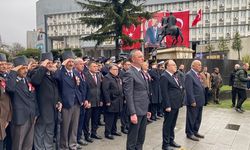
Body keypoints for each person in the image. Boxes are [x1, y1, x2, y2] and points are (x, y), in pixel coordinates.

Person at [55, 51, 86, 150]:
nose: (71, 63)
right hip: (66, 102)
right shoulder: (60, 72)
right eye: (69, 61)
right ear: (64, 62)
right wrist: (61, 66)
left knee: (74, 126)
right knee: (65, 127)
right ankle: (64, 146)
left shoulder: (75, 72)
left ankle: (72, 144)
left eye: (72, 61)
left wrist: (81, 98)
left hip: (76, 102)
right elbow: (56, 77)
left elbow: (79, 86)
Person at [6, 55, 38, 150]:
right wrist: (13, 72)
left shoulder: (27, 80)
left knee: (28, 143)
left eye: (26, 67)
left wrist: (36, 113)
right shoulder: (12, 81)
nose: (25, 70)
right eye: (22, 68)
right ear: (16, 69)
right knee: (18, 144)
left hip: (31, 116)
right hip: (19, 118)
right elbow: (10, 88)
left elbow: (33, 98)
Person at [31, 52, 62, 150]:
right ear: (42, 63)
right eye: (47, 62)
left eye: (51, 62)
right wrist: (43, 67)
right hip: (42, 110)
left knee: (50, 132)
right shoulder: (36, 72)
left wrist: (59, 101)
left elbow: (57, 89)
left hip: (53, 109)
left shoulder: (52, 74)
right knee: (40, 132)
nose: (50, 64)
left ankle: (48, 148)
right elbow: (35, 81)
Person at [123, 50, 151, 150]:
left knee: (141, 138)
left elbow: (145, 92)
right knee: (132, 139)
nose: (142, 58)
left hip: (143, 110)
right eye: (139, 57)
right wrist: (132, 113)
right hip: (136, 111)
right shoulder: (129, 73)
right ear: (133, 59)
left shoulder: (142, 72)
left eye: (142, 56)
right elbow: (128, 94)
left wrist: (147, 109)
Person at [160, 60, 184, 150]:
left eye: (175, 65)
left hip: (176, 104)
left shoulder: (174, 75)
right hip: (170, 105)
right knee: (167, 125)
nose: (175, 66)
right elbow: (164, 92)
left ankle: (171, 140)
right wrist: (167, 105)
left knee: (173, 124)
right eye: (173, 65)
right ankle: (165, 145)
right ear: (167, 66)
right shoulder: (164, 76)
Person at [102, 64, 124, 140]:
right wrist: (107, 101)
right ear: (110, 70)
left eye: (117, 69)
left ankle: (114, 130)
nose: (116, 71)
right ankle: (108, 133)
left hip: (118, 100)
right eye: (114, 69)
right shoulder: (107, 78)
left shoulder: (117, 77)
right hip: (112, 100)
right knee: (109, 118)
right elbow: (105, 90)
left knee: (115, 117)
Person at [185, 60, 205, 141]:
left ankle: (195, 131)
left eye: (201, 65)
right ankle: (189, 133)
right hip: (194, 101)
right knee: (191, 118)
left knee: (198, 118)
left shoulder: (197, 74)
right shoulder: (189, 75)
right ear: (193, 66)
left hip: (200, 100)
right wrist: (192, 101)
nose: (201, 66)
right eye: (199, 65)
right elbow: (189, 90)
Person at [83, 61, 103, 142]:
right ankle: (86, 135)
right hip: (89, 102)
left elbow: (100, 89)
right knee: (87, 120)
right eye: (94, 66)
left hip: (97, 100)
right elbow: (84, 89)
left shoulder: (98, 75)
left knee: (95, 119)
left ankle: (94, 133)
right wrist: (86, 100)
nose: (96, 68)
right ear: (89, 67)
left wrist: (101, 100)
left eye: (96, 66)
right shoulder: (85, 76)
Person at [74, 58, 89, 147]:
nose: (82, 65)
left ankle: (79, 137)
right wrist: (81, 100)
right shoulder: (74, 74)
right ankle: (74, 139)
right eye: (80, 64)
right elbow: (76, 89)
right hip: (77, 102)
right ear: (75, 65)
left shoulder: (83, 74)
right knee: (76, 123)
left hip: (83, 102)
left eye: (83, 64)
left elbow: (86, 88)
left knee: (81, 122)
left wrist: (86, 99)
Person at [0, 53, 12, 150]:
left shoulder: (8, 76)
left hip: (9, 115)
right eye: (1, 64)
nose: (4, 66)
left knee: (8, 141)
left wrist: (8, 118)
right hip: (1, 116)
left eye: (5, 64)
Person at [119, 60, 131, 134]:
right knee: (124, 113)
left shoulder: (128, 72)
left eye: (130, 64)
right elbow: (123, 86)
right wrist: (125, 97)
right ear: (123, 65)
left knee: (128, 112)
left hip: (128, 95)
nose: (129, 66)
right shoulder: (122, 73)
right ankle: (124, 127)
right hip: (124, 96)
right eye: (127, 65)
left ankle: (127, 125)